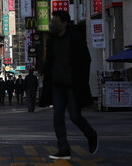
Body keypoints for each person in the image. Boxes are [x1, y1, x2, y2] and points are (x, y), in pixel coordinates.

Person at [39, 10, 98, 160]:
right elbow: (50, 62)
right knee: (57, 117)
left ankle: (91, 135)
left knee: (75, 116)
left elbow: (86, 60)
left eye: (55, 21)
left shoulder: (76, 39)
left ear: (64, 24)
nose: (52, 24)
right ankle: (63, 148)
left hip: (73, 84)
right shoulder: (52, 40)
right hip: (57, 85)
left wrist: (82, 79)